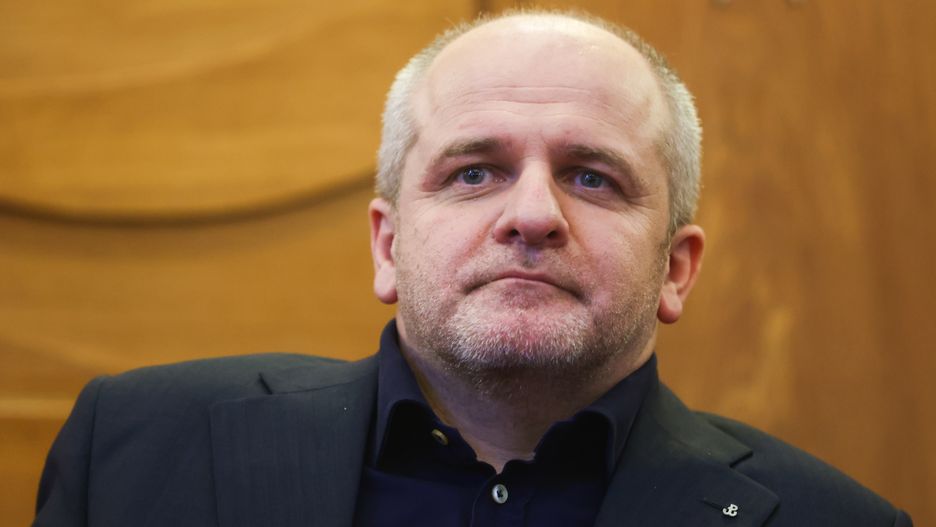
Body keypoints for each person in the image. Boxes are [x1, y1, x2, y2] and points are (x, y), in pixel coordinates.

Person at [34, 10, 912, 527]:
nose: (531, 215)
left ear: (677, 268)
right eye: (475, 172)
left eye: (591, 177)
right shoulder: (135, 454)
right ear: (387, 244)